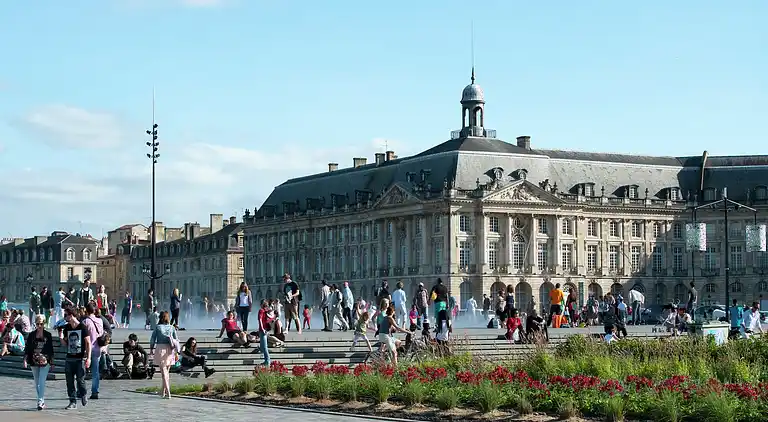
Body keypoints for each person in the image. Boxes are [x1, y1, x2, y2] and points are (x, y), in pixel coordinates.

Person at [61, 308, 92, 410]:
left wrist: (88, 358)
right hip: (69, 359)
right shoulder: (67, 328)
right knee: (69, 382)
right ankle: (72, 402)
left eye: (66, 315)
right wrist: (60, 336)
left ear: (71, 315)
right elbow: (65, 344)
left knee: (80, 380)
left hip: (80, 359)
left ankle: (83, 394)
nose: (65, 317)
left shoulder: (82, 327)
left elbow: (88, 343)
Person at [24, 314, 55, 410]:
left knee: (42, 381)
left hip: (45, 361)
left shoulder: (48, 335)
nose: (39, 326)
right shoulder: (31, 335)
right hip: (33, 360)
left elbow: (50, 349)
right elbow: (27, 348)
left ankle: (40, 401)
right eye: (37, 324)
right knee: (37, 382)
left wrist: (52, 361)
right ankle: (41, 400)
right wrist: (25, 359)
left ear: (44, 324)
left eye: (41, 324)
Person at [149, 311, 179, 399]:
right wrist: (176, 352)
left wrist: (151, 349)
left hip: (160, 349)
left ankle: (168, 392)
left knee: (164, 373)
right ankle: (163, 392)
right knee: (166, 372)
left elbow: (152, 339)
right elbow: (176, 340)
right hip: (170, 350)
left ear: (160, 318)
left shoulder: (158, 327)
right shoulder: (172, 328)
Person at [82, 303, 105, 400]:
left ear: (86, 311)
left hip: (88, 349)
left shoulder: (85, 321)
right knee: (95, 372)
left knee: (82, 371)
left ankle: (81, 391)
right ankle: (95, 391)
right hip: (98, 348)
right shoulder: (100, 320)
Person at [256, 300, 275, 366]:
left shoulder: (261, 310)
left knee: (264, 347)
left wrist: (262, 328)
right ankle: (260, 349)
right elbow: (272, 318)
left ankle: (267, 361)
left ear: (261, 304)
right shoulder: (267, 311)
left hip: (263, 330)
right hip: (266, 329)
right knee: (262, 345)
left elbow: (260, 320)